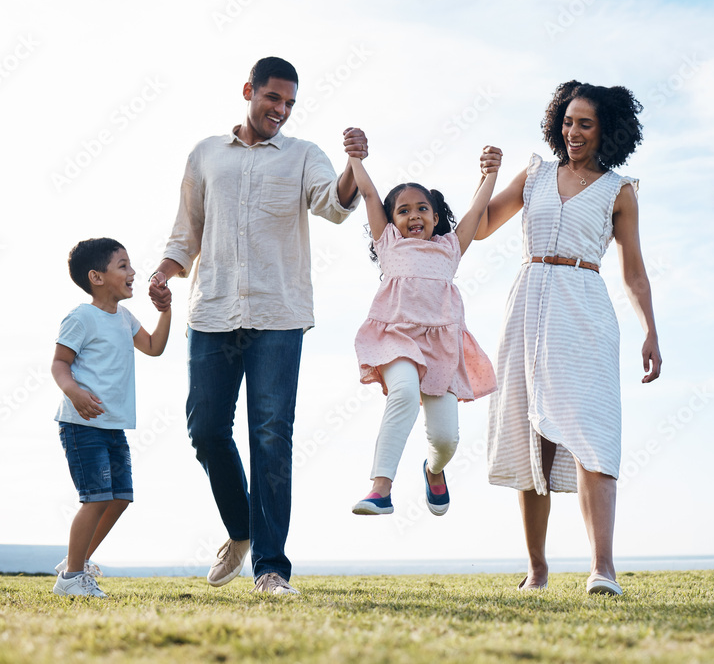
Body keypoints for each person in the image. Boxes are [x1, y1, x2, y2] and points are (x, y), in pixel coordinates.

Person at [148, 57, 366, 595]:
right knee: (205, 431)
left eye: (290, 103)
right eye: (273, 98)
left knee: (271, 436)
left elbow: (333, 207)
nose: (281, 111)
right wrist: (164, 272)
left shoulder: (304, 156)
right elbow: (187, 231)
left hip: (278, 315)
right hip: (213, 311)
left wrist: (352, 165)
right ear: (249, 90)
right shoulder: (205, 155)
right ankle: (241, 531)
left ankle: (271, 567)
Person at [476, 81, 662, 596]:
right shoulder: (535, 174)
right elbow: (485, 224)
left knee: (593, 434)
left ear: (607, 130)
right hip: (529, 303)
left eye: (585, 123)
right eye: (568, 121)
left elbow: (634, 272)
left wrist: (650, 331)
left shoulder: (619, 190)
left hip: (585, 307)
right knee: (529, 436)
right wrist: (487, 178)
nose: (573, 132)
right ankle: (537, 570)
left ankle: (603, 569)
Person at [348, 137, 502, 517]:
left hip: (442, 348)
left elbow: (477, 208)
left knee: (446, 439)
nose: (413, 215)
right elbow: (368, 195)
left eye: (422, 209)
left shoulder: (450, 248)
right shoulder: (389, 244)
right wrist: (355, 158)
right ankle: (380, 488)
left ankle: (434, 470)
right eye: (402, 211)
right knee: (402, 393)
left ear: (435, 218)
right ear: (392, 221)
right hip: (396, 339)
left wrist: (490, 174)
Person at [51, 237, 172, 597]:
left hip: (112, 426)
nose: (133, 272)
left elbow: (153, 347)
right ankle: (71, 579)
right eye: (123, 265)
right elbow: (59, 363)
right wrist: (73, 391)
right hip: (81, 424)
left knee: (119, 497)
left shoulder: (124, 318)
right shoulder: (81, 317)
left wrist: (165, 311)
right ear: (96, 277)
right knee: (96, 497)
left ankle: (77, 559)